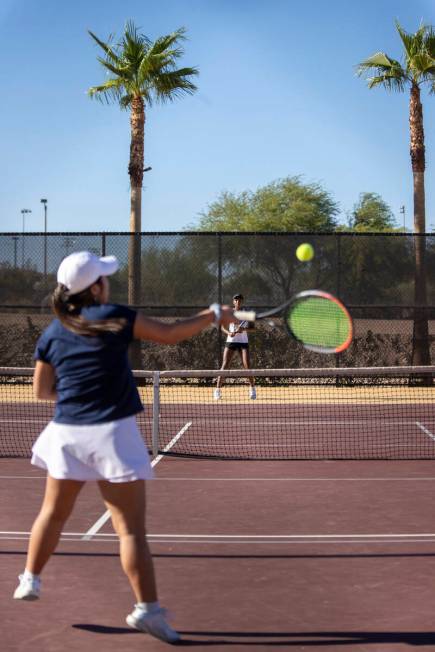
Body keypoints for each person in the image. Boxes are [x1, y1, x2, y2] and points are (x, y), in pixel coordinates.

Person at [12, 251, 233, 644]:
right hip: (112, 435)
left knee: (52, 514)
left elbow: (42, 391)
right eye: (104, 277)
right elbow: (170, 333)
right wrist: (214, 314)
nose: (108, 282)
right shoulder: (115, 315)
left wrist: (80, 389)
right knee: (130, 531)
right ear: (96, 287)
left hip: (66, 434)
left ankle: (30, 579)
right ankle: (147, 611)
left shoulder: (52, 331)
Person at [214, 293, 256, 400]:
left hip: (243, 342)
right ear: (233, 301)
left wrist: (244, 329)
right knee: (224, 365)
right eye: (236, 300)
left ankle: (252, 389)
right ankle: (217, 390)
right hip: (231, 341)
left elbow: (253, 328)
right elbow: (222, 327)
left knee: (247, 366)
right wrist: (228, 332)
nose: (238, 301)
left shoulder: (246, 314)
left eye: (240, 300)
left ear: (242, 302)